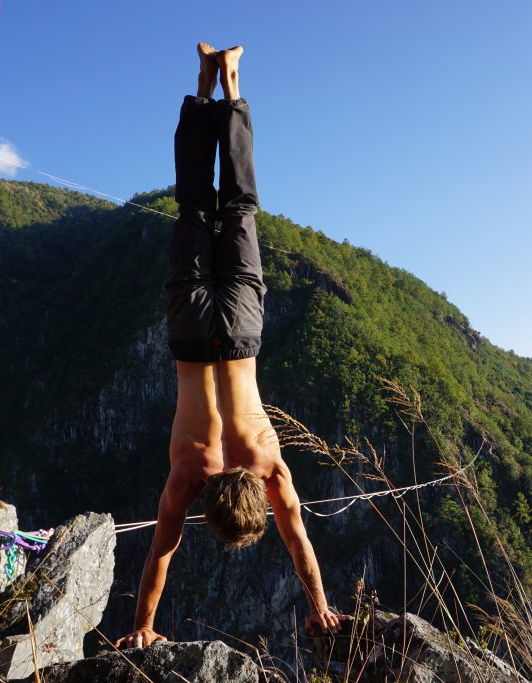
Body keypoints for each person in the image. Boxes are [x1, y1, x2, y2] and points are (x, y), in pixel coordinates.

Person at [117, 44, 347, 649]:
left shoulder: (266, 463)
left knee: (239, 206)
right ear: (211, 500)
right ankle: (201, 86)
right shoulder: (189, 475)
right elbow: (160, 558)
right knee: (194, 206)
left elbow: (296, 535)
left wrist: (321, 605)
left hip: (240, 331)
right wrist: (142, 627)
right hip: (192, 333)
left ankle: (234, 85)